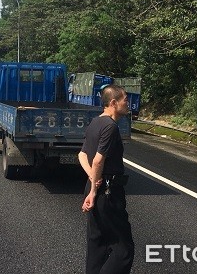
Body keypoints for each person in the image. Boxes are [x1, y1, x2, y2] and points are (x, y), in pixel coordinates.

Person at [78, 84, 135, 273]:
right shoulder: (111, 127)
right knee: (123, 249)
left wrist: (92, 181)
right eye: (125, 100)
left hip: (95, 187)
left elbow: (82, 155)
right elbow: (97, 160)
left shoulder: (95, 122)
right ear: (113, 102)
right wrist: (94, 190)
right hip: (108, 192)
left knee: (98, 244)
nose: (128, 103)